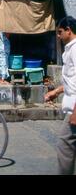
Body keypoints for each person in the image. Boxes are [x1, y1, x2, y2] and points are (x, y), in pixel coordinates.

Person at [45, 16, 76, 175]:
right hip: (71, 106)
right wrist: (56, 92)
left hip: (74, 109)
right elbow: (72, 80)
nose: (58, 36)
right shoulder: (70, 48)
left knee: (65, 144)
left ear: (69, 31)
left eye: (60, 32)